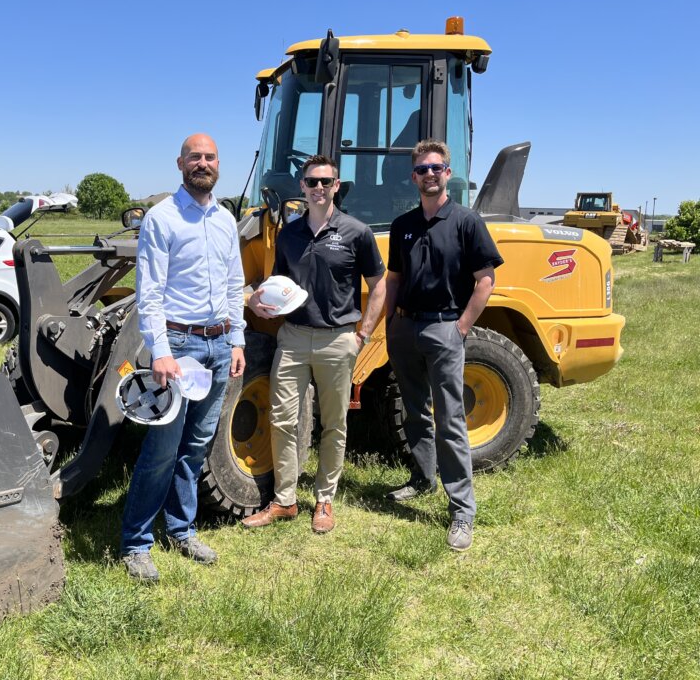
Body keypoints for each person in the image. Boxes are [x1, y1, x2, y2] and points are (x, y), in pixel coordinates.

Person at [121, 133, 246, 583]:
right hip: (180, 348)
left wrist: (237, 340)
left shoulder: (225, 219)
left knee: (196, 447)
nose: (203, 163)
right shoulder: (162, 218)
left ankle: (181, 529)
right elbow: (149, 292)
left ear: (218, 165)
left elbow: (235, 284)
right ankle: (136, 543)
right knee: (161, 449)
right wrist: (161, 352)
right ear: (180, 164)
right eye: (195, 156)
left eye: (210, 157)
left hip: (217, 347)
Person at [243, 155, 385, 534]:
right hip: (292, 337)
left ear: (337, 186)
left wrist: (363, 334)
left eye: (326, 181)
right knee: (282, 419)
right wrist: (261, 300)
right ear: (302, 187)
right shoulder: (289, 234)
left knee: (334, 423)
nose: (318, 188)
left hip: (337, 339)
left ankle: (324, 500)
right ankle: (285, 500)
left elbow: (379, 282)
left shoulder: (356, 232)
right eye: (311, 182)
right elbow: (278, 283)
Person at [383, 139, 504, 552]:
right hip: (404, 329)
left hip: (444, 330)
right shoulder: (403, 225)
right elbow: (394, 279)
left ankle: (462, 511)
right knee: (415, 411)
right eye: (421, 170)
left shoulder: (467, 222)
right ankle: (421, 479)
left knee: (450, 419)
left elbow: (485, 280)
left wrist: (462, 327)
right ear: (413, 176)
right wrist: (388, 324)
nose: (429, 175)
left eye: (436, 168)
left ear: (447, 173)